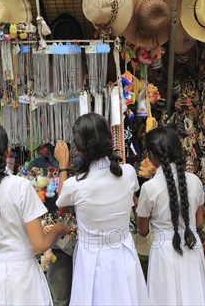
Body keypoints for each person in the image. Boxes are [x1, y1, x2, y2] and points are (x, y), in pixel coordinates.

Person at [0, 122, 69, 306]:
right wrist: (58, 229)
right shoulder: (20, 187)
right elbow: (39, 245)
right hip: (19, 279)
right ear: (6, 151)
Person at [55, 113, 149, 306]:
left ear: (80, 149)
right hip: (121, 251)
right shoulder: (128, 173)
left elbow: (62, 206)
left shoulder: (75, 185)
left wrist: (62, 166)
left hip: (92, 256)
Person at [136, 127, 205, 305]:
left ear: (151, 155)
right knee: (193, 294)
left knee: (166, 297)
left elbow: (142, 231)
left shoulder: (149, 188)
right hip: (192, 245)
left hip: (164, 250)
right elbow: (200, 223)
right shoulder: (195, 180)